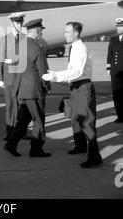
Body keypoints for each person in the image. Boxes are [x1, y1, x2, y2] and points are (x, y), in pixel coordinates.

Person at [42, 22, 103, 168]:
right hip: (76, 88)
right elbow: (72, 71)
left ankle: (95, 156)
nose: (65, 35)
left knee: (86, 122)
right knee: (75, 119)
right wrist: (56, 76)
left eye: (67, 32)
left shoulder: (80, 48)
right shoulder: (73, 47)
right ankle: (80, 146)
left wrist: (55, 76)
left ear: (76, 33)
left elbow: (77, 72)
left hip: (83, 87)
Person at [4, 19, 51, 157]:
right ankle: (36, 149)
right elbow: (43, 72)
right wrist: (47, 86)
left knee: (24, 119)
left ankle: (11, 144)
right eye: (41, 30)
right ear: (36, 31)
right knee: (38, 120)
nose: (41, 33)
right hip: (34, 90)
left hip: (21, 88)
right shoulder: (37, 47)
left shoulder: (20, 45)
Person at [0, 12, 31, 140]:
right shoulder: (4, 39)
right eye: (17, 22)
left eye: (21, 22)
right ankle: (10, 132)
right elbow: (0, 60)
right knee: (10, 106)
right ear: (12, 23)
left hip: (22, 78)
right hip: (10, 78)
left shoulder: (25, 38)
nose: (20, 24)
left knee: (22, 106)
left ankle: (22, 131)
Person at [106, 18, 123, 123]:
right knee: (116, 94)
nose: (118, 28)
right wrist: (108, 68)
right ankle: (120, 115)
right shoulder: (113, 39)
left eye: (120, 26)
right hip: (115, 71)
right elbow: (110, 54)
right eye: (117, 26)